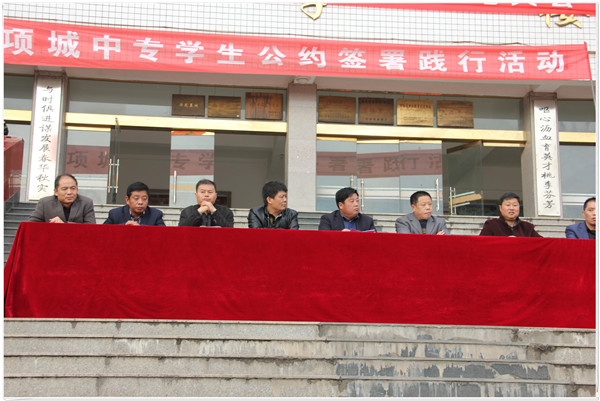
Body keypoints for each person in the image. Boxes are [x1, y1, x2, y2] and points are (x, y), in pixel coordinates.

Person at [29, 173, 96, 223]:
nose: (69, 192)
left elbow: (91, 227)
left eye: (73, 188)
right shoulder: (45, 203)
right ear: (56, 192)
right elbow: (32, 225)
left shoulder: (86, 203)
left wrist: (64, 225)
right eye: (64, 189)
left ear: (77, 189)